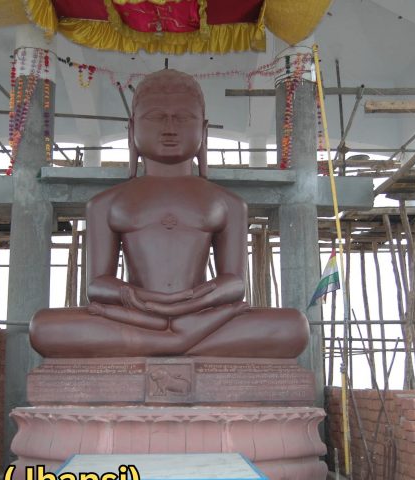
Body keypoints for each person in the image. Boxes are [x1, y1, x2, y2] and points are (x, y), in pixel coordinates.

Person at [30, 69, 308, 358]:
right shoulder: (105, 203)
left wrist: (191, 303)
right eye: (156, 117)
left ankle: (163, 341)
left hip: (198, 314)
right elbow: (98, 285)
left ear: (204, 130)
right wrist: (142, 299)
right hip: (139, 315)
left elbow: (235, 284)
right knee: (43, 327)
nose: (170, 128)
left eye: (183, 118)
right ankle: (179, 341)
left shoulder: (228, 203)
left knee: (294, 327)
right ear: (132, 128)